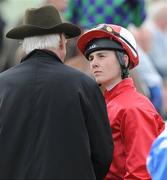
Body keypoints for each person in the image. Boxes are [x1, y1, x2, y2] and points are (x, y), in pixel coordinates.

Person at [0, 5, 114, 179]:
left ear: (24, 45)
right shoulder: (84, 85)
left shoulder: (2, 85)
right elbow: (103, 153)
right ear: (62, 42)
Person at [77, 23, 165, 179]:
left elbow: (141, 173)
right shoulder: (107, 104)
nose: (94, 63)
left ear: (124, 60)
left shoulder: (134, 107)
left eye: (101, 56)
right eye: (91, 58)